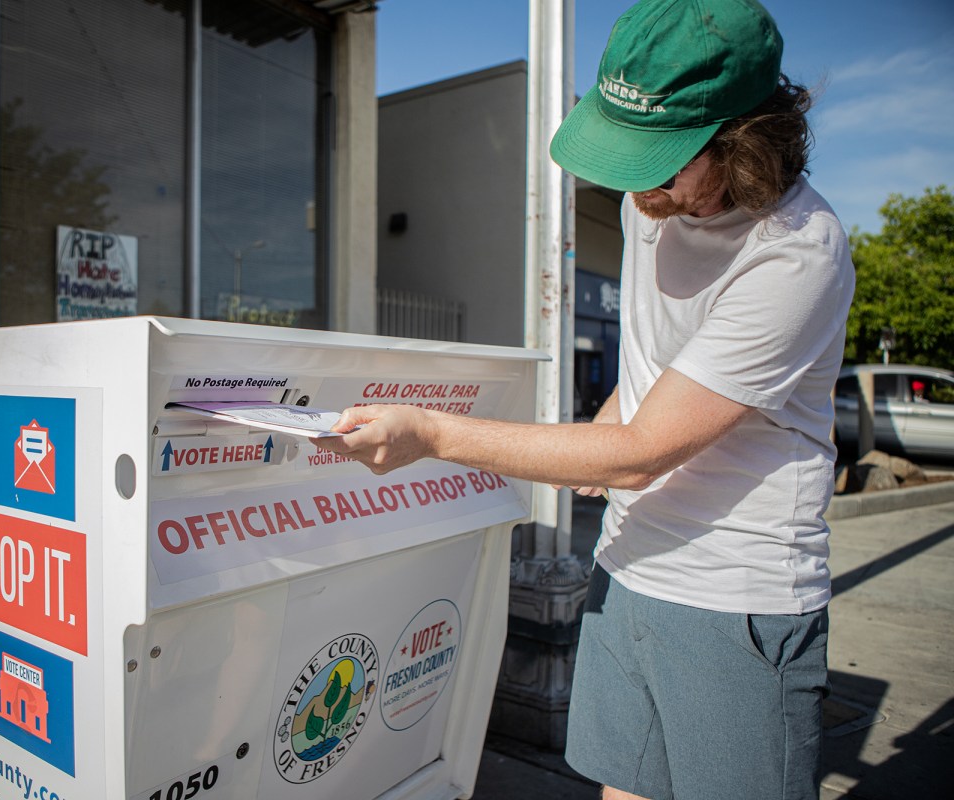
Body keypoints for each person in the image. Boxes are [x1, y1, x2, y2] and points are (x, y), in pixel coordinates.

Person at [313, 1, 855, 798]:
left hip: (734, 593)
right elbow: (653, 376)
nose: (636, 184)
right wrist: (602, 427)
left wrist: (429, 432)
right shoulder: (655, 204)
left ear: (743, 141)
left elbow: (641, 456)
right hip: (626, 565)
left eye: (660, 159)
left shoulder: (798, 254)